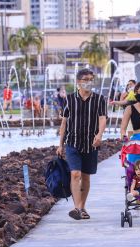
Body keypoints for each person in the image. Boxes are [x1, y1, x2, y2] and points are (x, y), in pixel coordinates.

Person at [56, 68, 107, 220]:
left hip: (91, 143)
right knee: (75, 173)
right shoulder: (69, 99)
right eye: (85, 79)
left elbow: (103, 118)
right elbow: (64, 123)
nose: (88, 82)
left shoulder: (99, 99)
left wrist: (99, 135)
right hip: (73, 142)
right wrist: (60, 144)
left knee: (86, 177)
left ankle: (82, 207)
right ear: (78, 82)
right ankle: (77, 208)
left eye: (91, 79)